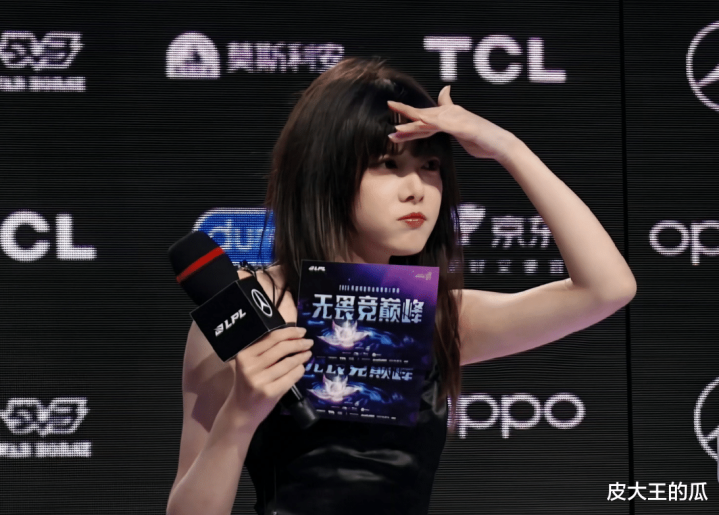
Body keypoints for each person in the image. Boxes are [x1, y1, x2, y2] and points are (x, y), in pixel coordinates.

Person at [166, 57, 636, 515]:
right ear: (324, 172)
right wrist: (239, 416)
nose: (417, 189)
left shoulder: (436, 315)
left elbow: (607, 288)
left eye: (430, 165)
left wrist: (507, 148)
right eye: (388, 164)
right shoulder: (248, 312)